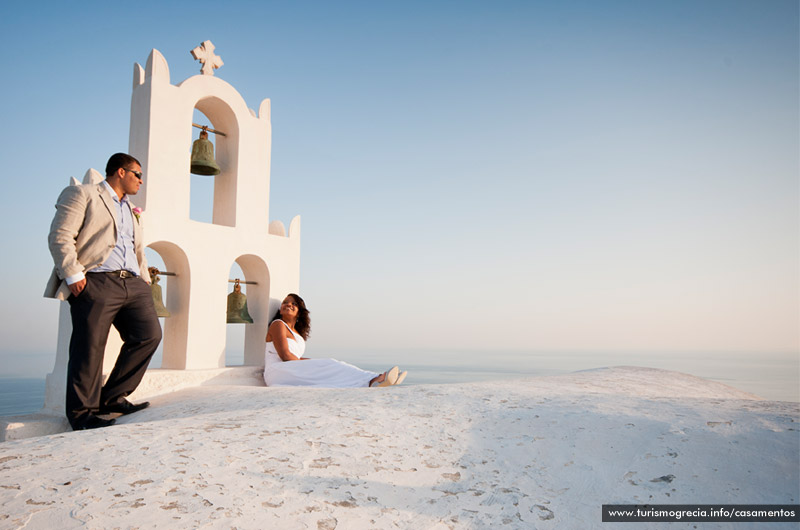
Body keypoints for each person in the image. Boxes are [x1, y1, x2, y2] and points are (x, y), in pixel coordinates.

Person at [44, 153, 162, 430]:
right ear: (120, 172)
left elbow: (136, 247)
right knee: (89, 347)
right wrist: (73, 274)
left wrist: (143, 278)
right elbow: (60, 235)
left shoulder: (130, 208)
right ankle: (82, 415)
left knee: (148, 336)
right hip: (97, 281)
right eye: (137, 175)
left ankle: (111, 397)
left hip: (133, 283)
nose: (141, 181)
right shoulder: (83, 194)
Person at [264, 294, 407, 388]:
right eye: (285, 303)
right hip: (278, 372)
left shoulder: (297, 335)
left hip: (290, 368)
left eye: (293, 303)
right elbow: (285, 356)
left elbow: (296, 357)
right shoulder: (278, 324)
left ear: (299, 312)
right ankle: (373, 380)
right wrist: (317, 365)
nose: (288, 304)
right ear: (280, 309)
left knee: (333, 365)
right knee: (331, 364)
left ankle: (374, 378)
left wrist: (315, 363)